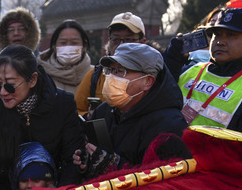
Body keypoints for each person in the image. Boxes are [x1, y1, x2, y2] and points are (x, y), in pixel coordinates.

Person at [0, 45, 84, 190]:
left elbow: (72, 161)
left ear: (32, 80)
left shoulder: (62, 104)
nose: (2, 92)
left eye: (10, 85)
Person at [166, 7, 242, 155]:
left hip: (209, 173)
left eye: (231, 35)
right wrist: (170, 65)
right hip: (165, 161)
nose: (220, 42)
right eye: (216, 34)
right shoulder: (188, 69)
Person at [75, 43, 187, 177]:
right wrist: (86, 163)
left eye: (120, 71)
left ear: (147, 81)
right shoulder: (103, 112)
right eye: (110, 70)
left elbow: (162, 186)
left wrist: (116, 168)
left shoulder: (170, 126)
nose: (111, 78)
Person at [74, 12, 147, 117]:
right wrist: (90, 117)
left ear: (142, 42)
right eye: (116, 40)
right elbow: (77, 110)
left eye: (129, 40)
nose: (121, 45)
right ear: (109, 41)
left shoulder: (152, 75)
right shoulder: (95, 75)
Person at [37, 20, 93, 96]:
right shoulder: (40, 75)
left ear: (84, 46)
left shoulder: (94, 75)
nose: (68, 47)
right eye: (63, 43)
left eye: (74, 43)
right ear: (54, 46)